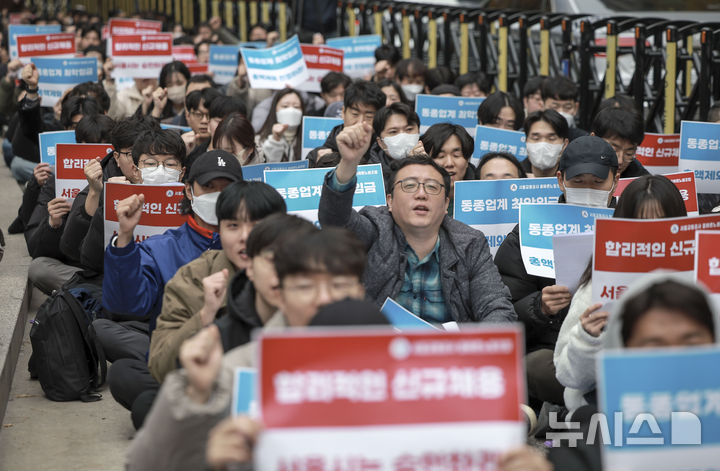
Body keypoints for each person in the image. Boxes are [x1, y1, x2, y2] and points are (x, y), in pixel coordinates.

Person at [126, 227, 370, 471]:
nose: (323, 299)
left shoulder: (402, 372)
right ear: (281, 295)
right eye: (305, 286)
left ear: (359, 292)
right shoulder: (234, 371)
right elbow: (141, 465)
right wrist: (202, 452)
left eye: (339, 284)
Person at [318, 121, 516, 323]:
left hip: (444, 351)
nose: (421, 194)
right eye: (409, 185)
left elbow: (497, 306)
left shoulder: (470, 243)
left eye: (432, 187)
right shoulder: (375, 228)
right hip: (377, 348)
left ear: (446, 204)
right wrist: (349, 163)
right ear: (390, 201)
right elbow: (334, 221)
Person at [494, 135, 619, 410]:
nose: (588, 190)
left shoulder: (630, 224)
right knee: (535, 366)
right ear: (561, 179)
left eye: (597, 183)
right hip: (553, 352)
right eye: (578, 182)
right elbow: (500, 310)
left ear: (615, 180)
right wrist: (538, 307)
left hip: (618, 349)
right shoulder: (531, 231)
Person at [554, 174, 688, 413]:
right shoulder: (599, 283)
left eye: (662, 223)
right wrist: (588, 338)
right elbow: (568, 376)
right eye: (640, 224)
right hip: (611, 405)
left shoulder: (698, 278)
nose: (651, 235)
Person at [148, 181, 287, 384]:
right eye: (233, 226)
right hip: (211, 388)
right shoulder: (194, 276)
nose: (245, 237)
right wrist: (205, 316)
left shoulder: (301, 275)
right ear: (219, 230)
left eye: (257, 226)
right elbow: (161, 367)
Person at [305, 81, 386, 166]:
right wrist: (329, 161)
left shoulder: (386, 153)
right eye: (355, 114)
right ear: (343, 112)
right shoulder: (318, 156)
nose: (360, 122)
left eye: (369, 116)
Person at [420, 123, 477, 216]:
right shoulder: (417, 196)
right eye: (441, 156)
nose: (449, 163)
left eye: (456, 155)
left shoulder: (482, 196)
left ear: (467, 160)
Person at [589, 106, 648, 178]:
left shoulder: (637, 176)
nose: (620, 161)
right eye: (613, 150)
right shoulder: (573, 166)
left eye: (629, 154)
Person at [256, 89, 305, 162]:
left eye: (296, 107)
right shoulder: (259, 141)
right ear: (275, 109)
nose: (291, 110)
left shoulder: (308, 141)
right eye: (285, 106)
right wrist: (275, 139)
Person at [372, 102, 422, 172]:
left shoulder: (433, 165)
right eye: (393, 132)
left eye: (409, 129)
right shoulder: (369, 174)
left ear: (419, 132)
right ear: (380, 142)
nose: (403, 137)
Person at [521, 109, 569, 178]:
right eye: (536, 138)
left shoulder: (573, 178)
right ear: (526, 141)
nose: (543, 145)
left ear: (564, 145)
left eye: (551, 138)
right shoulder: (515, 174)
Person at [541, 75, 587, 140]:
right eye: (555, 107)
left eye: (567, 107)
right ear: (542, 106)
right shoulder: (526, 135)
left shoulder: (583, 139)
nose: (561, 112)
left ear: (576, 108)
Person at [182, 87, 222, 160]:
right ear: (187, 116)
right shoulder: (179, 144)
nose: (204, 121)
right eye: (198, 114)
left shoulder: (225, 149)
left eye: (209, 115)